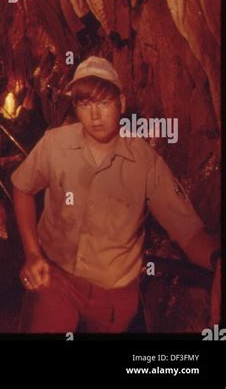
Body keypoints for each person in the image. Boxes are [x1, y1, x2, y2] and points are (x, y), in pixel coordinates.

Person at [11, 56, 221, 333]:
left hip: (113, 297)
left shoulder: (146, 164)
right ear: (75, 107)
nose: (95, 116)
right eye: (85, 105)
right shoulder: (55, 144)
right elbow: (23, 187)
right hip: (56, 279)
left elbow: (188, 232)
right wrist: (32, 253)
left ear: (121, 103)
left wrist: (218, 259)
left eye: (104, 103)